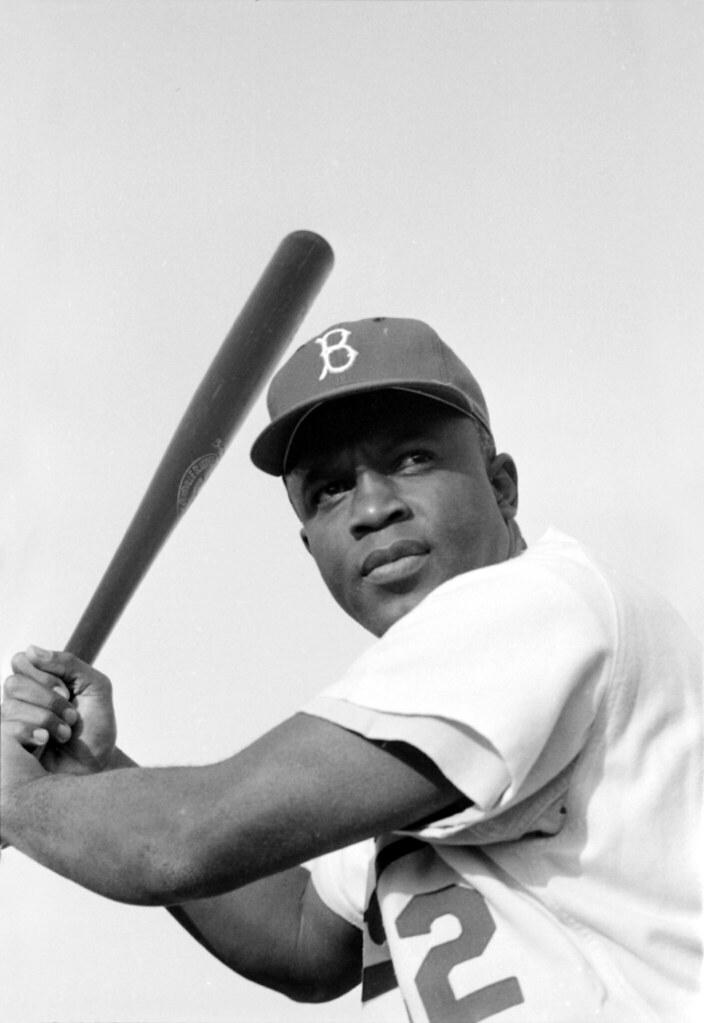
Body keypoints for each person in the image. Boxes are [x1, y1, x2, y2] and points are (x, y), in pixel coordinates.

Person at [1, 317, 701, 1022]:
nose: (372, 507)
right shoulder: (424, 714)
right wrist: (93, 773)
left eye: (411, 459)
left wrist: (16, 796)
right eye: (330, 489)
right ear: (310, 546)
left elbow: (183, 841)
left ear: (502, 486)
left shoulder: (537, 607)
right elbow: (304, 933)